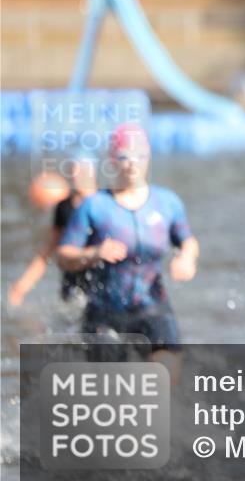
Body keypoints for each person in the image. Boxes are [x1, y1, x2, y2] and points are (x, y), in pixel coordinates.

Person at [55, 124, 199, 372]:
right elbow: (63, 255)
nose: (132, 162)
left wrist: (187, 258)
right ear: (112, 160)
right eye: (124, 156)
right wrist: (94, 253)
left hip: (152, 306)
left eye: (139, 155)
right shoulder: (94, 206)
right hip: (105, 312)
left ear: (148, 156)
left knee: (166, 371)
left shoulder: (167, 203)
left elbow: (188, 241)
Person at [9, 153, 98, 307]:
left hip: (100, 281)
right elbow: (49, 250)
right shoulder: (64, 207)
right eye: (73, 170)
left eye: (81, 170)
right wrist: (22, 286)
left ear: (93, 172)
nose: (76, 175)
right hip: (72, 284)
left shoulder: (105, 203)